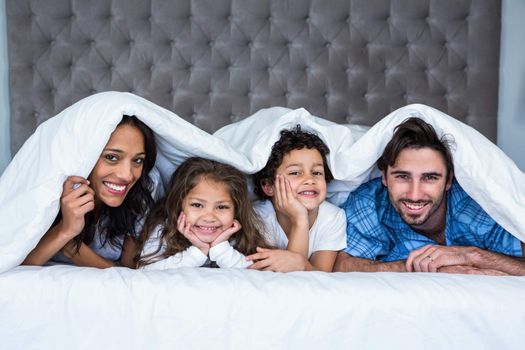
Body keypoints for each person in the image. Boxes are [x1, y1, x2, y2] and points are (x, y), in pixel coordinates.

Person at [334, 117, 525, 275]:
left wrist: (473, 256)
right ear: (384, 176)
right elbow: (340, 266)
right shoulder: (369, 203)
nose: (415, 194)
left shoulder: (480, 204)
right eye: (402, 176)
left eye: (430, 178)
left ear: (449, 180)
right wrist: (423, 268)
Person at [22, 115, 157, 268]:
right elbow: (14, 265)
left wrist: (71, 247)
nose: (127, 175)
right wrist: (66, 230)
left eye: (137, 160)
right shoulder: (49, 189)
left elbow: (129, 270)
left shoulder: (141, 192)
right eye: (111, 157)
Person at [136, 157, 272, 269]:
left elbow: (257, 277)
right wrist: (198, 252)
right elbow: (146, 273)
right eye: (197, 205)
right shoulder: (164, 231)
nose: (209, 217)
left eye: (222, 207)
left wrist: (221, 249)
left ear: (236, 210)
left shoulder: (242, 236)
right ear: (179, 205)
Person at [247, 125, 347, 272]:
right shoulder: (256, 218)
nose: (309, 179)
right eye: (295, 172)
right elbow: (283, 281)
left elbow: (321, 277)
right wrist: (300, 219)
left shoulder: (333, 217)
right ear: (269, 186)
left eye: (317, 173)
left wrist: (301, 263)